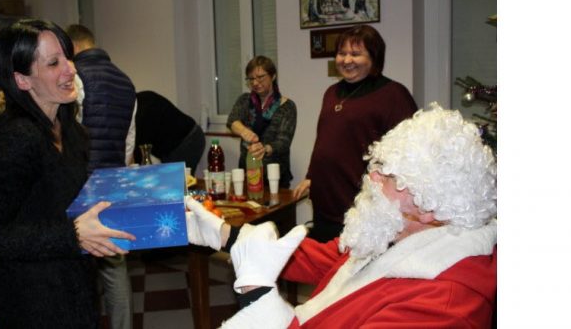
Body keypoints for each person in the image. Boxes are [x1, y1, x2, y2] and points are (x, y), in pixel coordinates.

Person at [186, 103, 497, 328]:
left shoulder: (444, 307)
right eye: (376, 165)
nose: (371, 177)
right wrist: (223, 233)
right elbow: (319, 257)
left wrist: (258, 293)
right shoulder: (393, 233)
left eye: (387, 174)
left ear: (431, 206)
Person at [0, 19, 136, 328]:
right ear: (22, 80)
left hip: (72, 289)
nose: (71, 69)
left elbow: (64, 207)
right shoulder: (15, 138)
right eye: (54, 63)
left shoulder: (72, 132)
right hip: (29, 301)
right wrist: (72, 235)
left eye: (68, 58)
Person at [293, 25, 417, 242]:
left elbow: (408, 155)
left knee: (355, 274)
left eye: (356, 54)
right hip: (325, 204)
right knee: (326, 270)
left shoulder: (394, 95)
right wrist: (312, 176)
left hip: (362, 210)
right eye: (342, 53)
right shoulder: (332, 93)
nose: (346, 60)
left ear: (374, 57)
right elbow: (325, 138)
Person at [66, 23, 136, 329]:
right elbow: (129, 143)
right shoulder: (126, 82)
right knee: (114, 261)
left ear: (73, 47)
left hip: (79, 182)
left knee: (78, 266)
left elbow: (69, 133)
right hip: (112, 182)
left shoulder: (74, 79)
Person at [227, 56, 297, 188]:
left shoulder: (287, 106)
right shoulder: (244, 100)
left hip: (274, 177)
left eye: (260, 77)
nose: (255, 82)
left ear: (273, 76)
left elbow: (283, 142)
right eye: (251, 79)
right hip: (247, 173)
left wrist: (264, 149)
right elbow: (232, 121)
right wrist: (244, 131)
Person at [134, 90, 206, 174]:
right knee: (176, 180)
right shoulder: (143, 98)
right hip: (186, 137)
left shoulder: (143, 109)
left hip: (187, 140)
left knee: (178, 181)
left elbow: (141, 150)